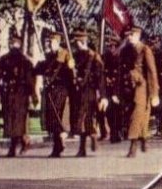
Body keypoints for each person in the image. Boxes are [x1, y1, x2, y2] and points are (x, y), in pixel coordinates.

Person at [120, 26, 159, 157]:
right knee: (140, 115)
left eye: (131, 35)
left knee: (137, 115)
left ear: (138, 35)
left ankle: (133, 147)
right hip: (130, 87)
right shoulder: (127, 50)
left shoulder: (144, 49)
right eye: (128, 35)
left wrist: (155, 94)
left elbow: (152, 72)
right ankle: (144, 139)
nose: (129, 37)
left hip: (142, 88)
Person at [0, 33, 38, 157]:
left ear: (19, 44)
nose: (12, 45)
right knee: (11, 120)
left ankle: (15, 146)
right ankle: (17, 144)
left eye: (14, 42)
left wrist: (32, 94)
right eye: (11, 42)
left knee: (18, 121)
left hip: (20, 93)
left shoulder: (25, 62)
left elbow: (30, 79)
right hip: (10, 93)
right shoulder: (4, 60)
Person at [68, 28, 106, 157]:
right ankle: (83, 147)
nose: (76, 44)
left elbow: (100, 78)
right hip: (78, 92)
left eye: (78, 42)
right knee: (81, 119)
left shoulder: (94, 57)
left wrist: (102, 96)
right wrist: (71, 68)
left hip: (89, 91)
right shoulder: (74, 57)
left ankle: (92, 137)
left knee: (86, 117)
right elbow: (70, 75)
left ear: (82, 41)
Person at [36, 31, 74, 158]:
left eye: (51, 42)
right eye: (48, 42)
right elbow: (38, 71)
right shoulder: (48, 56)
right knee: (52, 119)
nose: (49, 44)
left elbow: (70, 74)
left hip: (61, 89)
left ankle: (58, 146)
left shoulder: (64, 55)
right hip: (50, 90)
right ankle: (57, 145)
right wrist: (40, 62)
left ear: (57, 42)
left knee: (58, 117)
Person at [102, 36, 124, 143]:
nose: (112, 48)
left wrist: (116, 92)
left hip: (119, 89)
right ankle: (113, 133)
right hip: (108, 88)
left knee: (119, 113)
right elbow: (103, 71)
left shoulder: (121, 57)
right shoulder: (105, 56)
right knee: (109, 112)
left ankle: (118, 131)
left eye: (114, 46)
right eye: (110, 46)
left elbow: (120, 75)